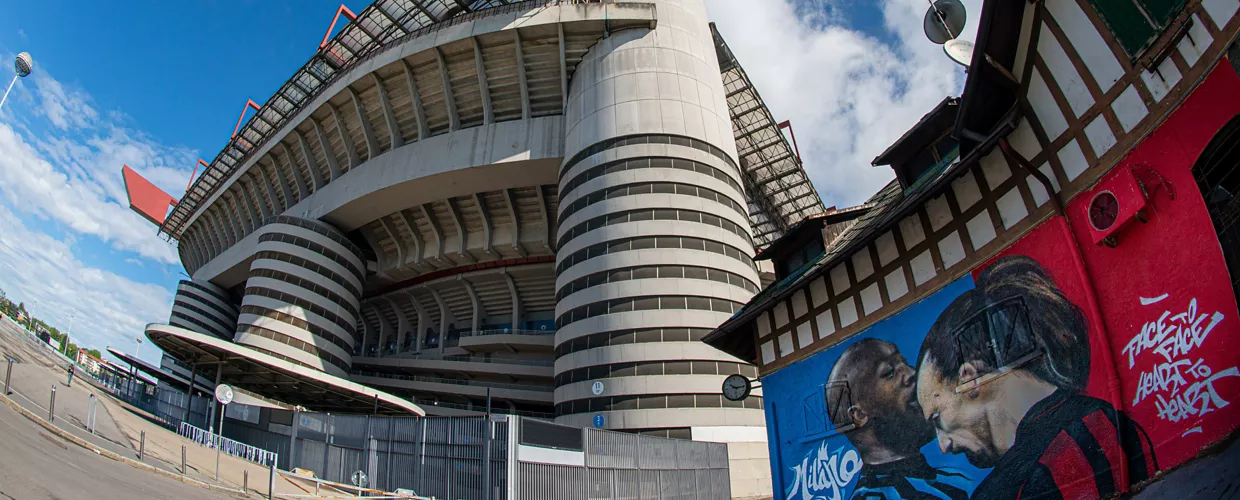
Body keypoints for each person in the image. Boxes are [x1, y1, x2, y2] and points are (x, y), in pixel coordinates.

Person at [915, 256, 1156, 499]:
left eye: (937, 419)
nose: (943, 446)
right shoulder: (1109, 419)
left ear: (969, 379)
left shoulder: (1013, 488)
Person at [827, 338, 974, 499]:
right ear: (859, 415)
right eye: (889, 373)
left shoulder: (954, 479)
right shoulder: (875, 497)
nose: (911, 373)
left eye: (903, 362)